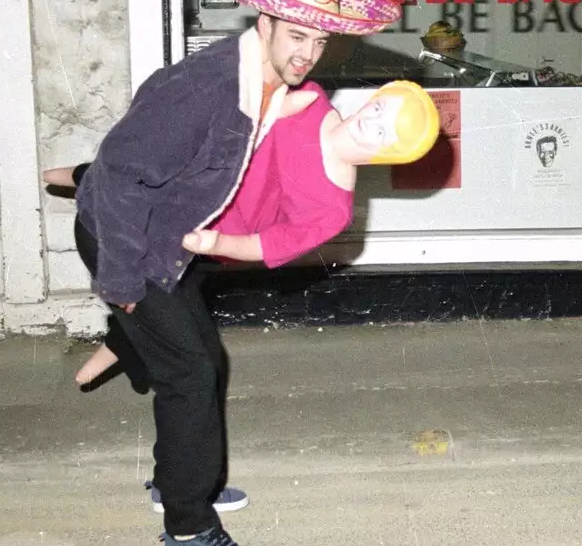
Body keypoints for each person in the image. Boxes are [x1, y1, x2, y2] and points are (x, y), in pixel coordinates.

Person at [67, 0, 402, 546]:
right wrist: (122, 282)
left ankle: (178, 479)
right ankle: (188, 528)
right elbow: (116, 176)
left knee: (199, 360)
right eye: (295, 35)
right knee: (191, 370)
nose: (306, 53)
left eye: (318, 41)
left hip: (176, 239)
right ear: (266, 22)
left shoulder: (274, 83)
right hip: (129, 237)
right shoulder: (209, 87)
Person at [46, 78, 440, 389]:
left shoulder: (333, 211)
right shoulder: (311, 99)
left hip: (204, 241)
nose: (373, 121)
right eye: (380, 109)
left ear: (389, 154)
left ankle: (114, 349)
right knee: (128, 179)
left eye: (386, 132)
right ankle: (76, 175)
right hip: (191, 184)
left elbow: (269, 245)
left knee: (167, 312)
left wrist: (216, 243)